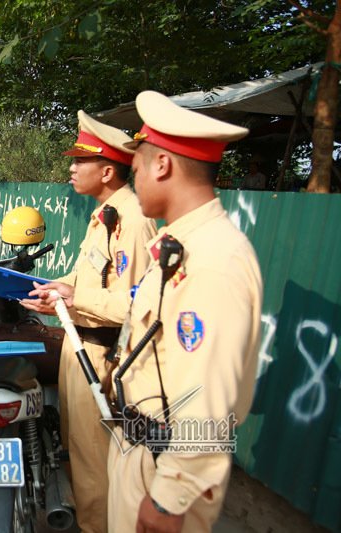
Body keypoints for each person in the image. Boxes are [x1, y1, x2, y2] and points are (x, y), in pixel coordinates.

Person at [104, 91, 262, 533]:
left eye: (135, 170)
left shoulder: (213, 260)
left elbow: (208, 400)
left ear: (162, 165)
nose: (134, 183)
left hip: (164, 468)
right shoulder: (186, 245)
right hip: (143, 451)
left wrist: (169, 499)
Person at [20, 110, 157, 533]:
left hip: (103, 357)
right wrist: (54, 291)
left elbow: (138, 306)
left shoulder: (131, 220)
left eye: (81, 161)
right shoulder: (105, 215)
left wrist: (74, 297)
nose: (71, 168)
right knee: (81, 455)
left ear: (108, 170)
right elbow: (86, 277)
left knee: (97, 465)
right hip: (81, 346)